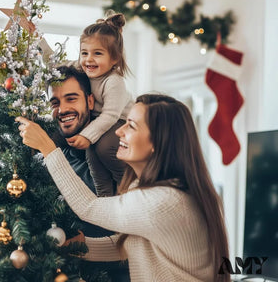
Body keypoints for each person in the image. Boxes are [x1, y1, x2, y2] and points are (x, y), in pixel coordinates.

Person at [16, 93, 231, 282]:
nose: (119, 131)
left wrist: (47, 148)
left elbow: (88, 207)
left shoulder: (163, 201)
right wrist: (82, 246)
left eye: (131, 126)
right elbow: (134, 243)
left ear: (158, 142)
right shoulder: (158, 191)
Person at [47, 65, 130, 282]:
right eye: (55, 103)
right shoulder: (51, 155)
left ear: (90, 102)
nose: (62, 109)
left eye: (71, 98)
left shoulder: (117, 153)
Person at [65, 12, 134, 197]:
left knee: (104, 147)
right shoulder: (82, 68)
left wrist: (87, 135)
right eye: (84, 53)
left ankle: (128, 186)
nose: (89, 59)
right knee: (91, 153)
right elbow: (56, 65)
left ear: (114, 59)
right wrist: (39, 43)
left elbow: (110, 115)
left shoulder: (113, 81)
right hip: (101, 120)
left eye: (97, 54)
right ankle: (104, 197)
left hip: (121, 121)